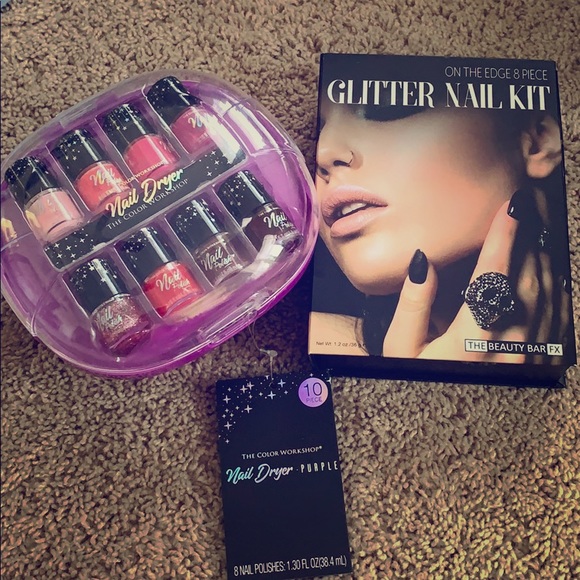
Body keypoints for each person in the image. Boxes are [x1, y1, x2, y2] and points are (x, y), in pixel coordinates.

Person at [310, 92, 572, 364]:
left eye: (387, 104)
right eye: (316, 133)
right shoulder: (305, 350)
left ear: (538, 140)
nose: (323, 152)